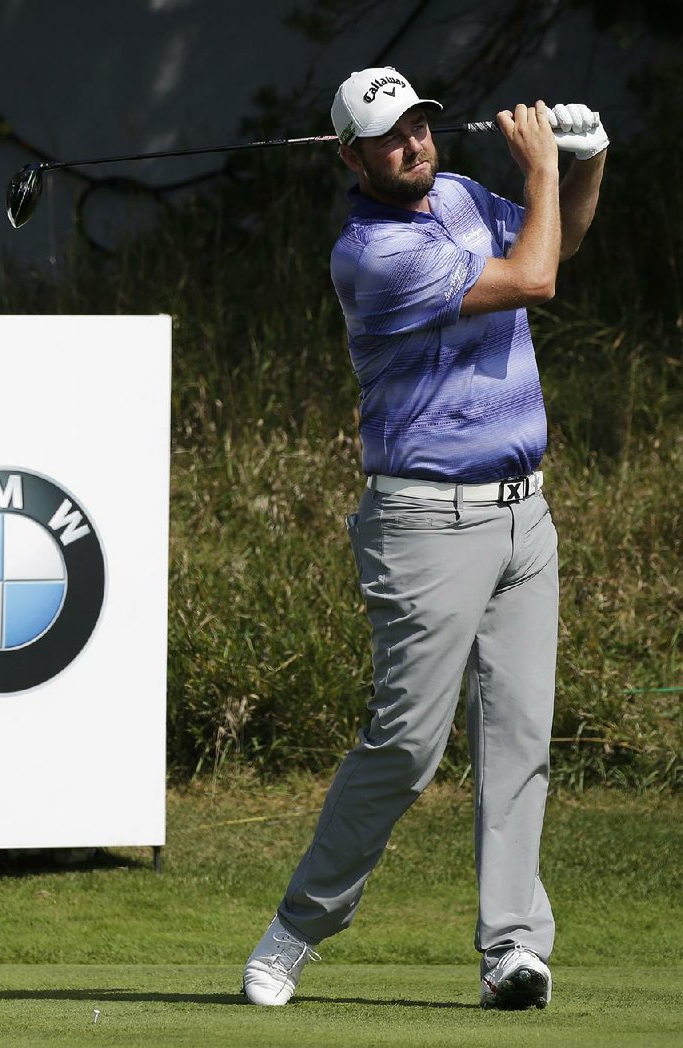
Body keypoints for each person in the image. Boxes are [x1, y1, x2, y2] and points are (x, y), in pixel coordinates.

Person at [242, 66, 608, 1010]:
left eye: (420, 125)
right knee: (407, 744)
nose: (414, 146)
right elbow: (537, 277)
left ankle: (513, 952)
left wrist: (588, 162)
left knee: (520, 734)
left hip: (525, 513)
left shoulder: (456, 195)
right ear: (349, 156)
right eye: (390, 136)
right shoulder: (370, 254)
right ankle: (297, 928)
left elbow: (553, 236)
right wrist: (538, 164)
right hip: (426, 520)